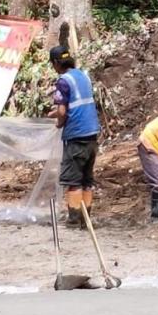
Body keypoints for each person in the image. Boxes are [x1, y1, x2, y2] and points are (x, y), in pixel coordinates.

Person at [47, 45, 101, 228]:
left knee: (73, 180)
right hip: (92, 133)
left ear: (56, 63)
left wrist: (58, 121)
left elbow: (62, 110)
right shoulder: (83, 75)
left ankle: (73, 220)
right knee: (87, 179)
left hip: (76, 134)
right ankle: (86, 221)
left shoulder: (63, 81)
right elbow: (79, 104)